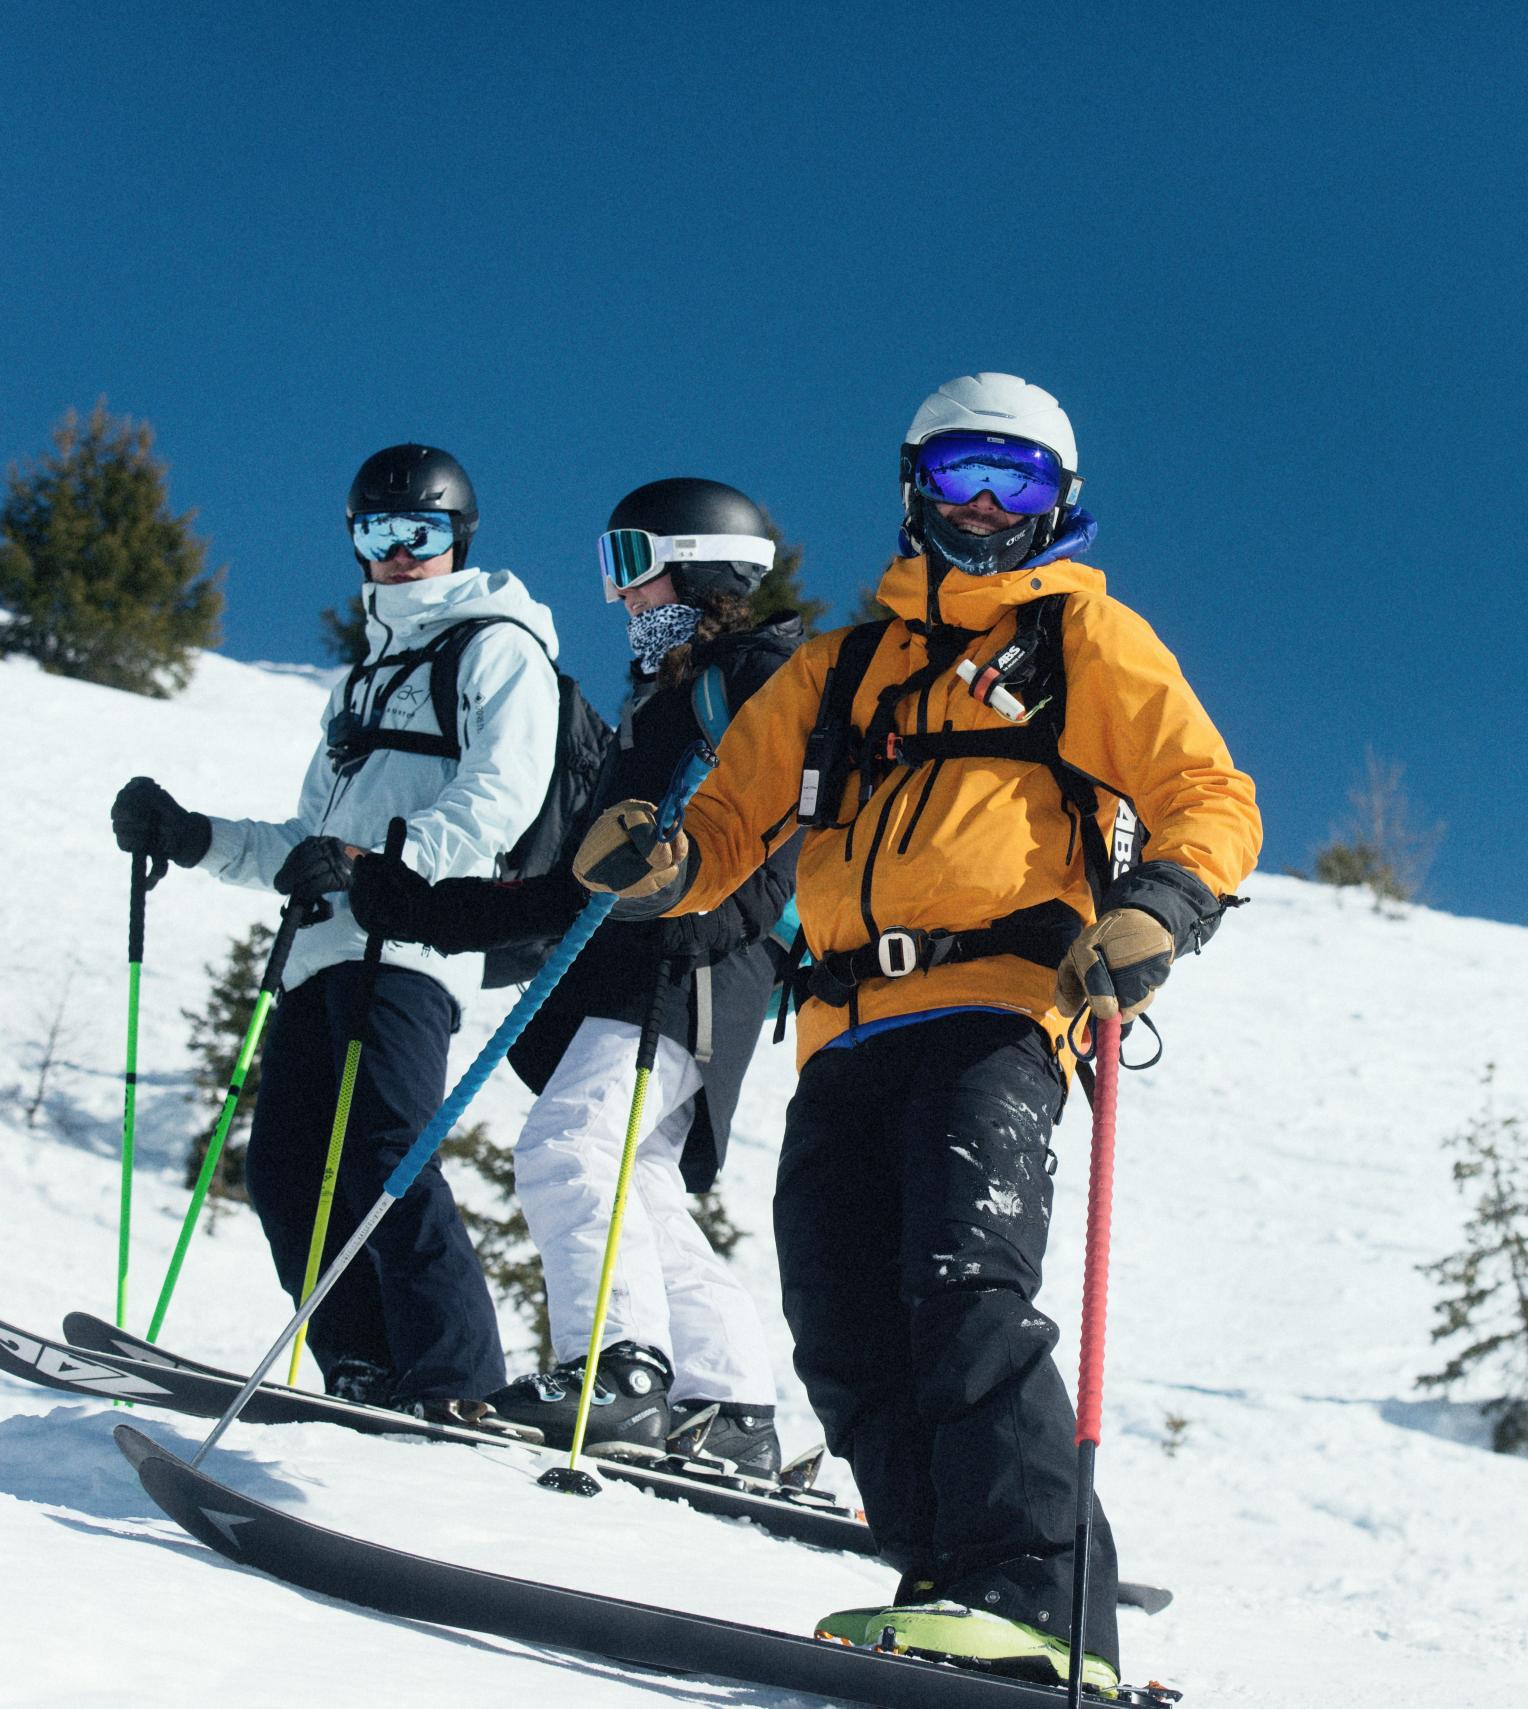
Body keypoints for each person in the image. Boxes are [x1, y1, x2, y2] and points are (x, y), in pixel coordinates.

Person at [570, 374, 1261, 1688]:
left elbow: (1207, 794)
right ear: (914, 494)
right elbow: (729, 828)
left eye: (1017, 484)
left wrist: (1160, 904)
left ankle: (1043, 1605)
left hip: (999, 1009)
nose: (987, 509)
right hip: (841, 1025)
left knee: (963, 1288)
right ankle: (951, 1582)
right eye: (960, 479)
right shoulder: (842, 669)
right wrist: (658, 865)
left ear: (1061, 507)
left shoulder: (1084, 643)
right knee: (840, 1318)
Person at [346, 478, 803, 1474]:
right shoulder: (663, 707)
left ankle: (617, 1370)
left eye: (633, 565)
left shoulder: (760, 676)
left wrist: (687, 919)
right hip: (659, 968)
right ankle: (728, 1400)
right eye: (611, 568)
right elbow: (576, 888)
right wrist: (429, 912)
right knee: (632, 1179)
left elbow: (786, 838)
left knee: (568, 1146)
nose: (618, 594)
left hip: (698, 966)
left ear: (706, 565)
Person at [109, 443, 558, 1426]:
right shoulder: (365, 679)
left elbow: (498, 799)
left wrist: (375, 870)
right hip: (318, 954)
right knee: (282, 1173)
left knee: (388, 1158)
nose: (398, 553)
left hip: (406, 949)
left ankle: (457, 1382)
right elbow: (308, 840)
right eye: (377, 533)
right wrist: (194, 839)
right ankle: (362, 1365)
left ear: (457, 541)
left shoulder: (496, 645)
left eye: (420, 533)